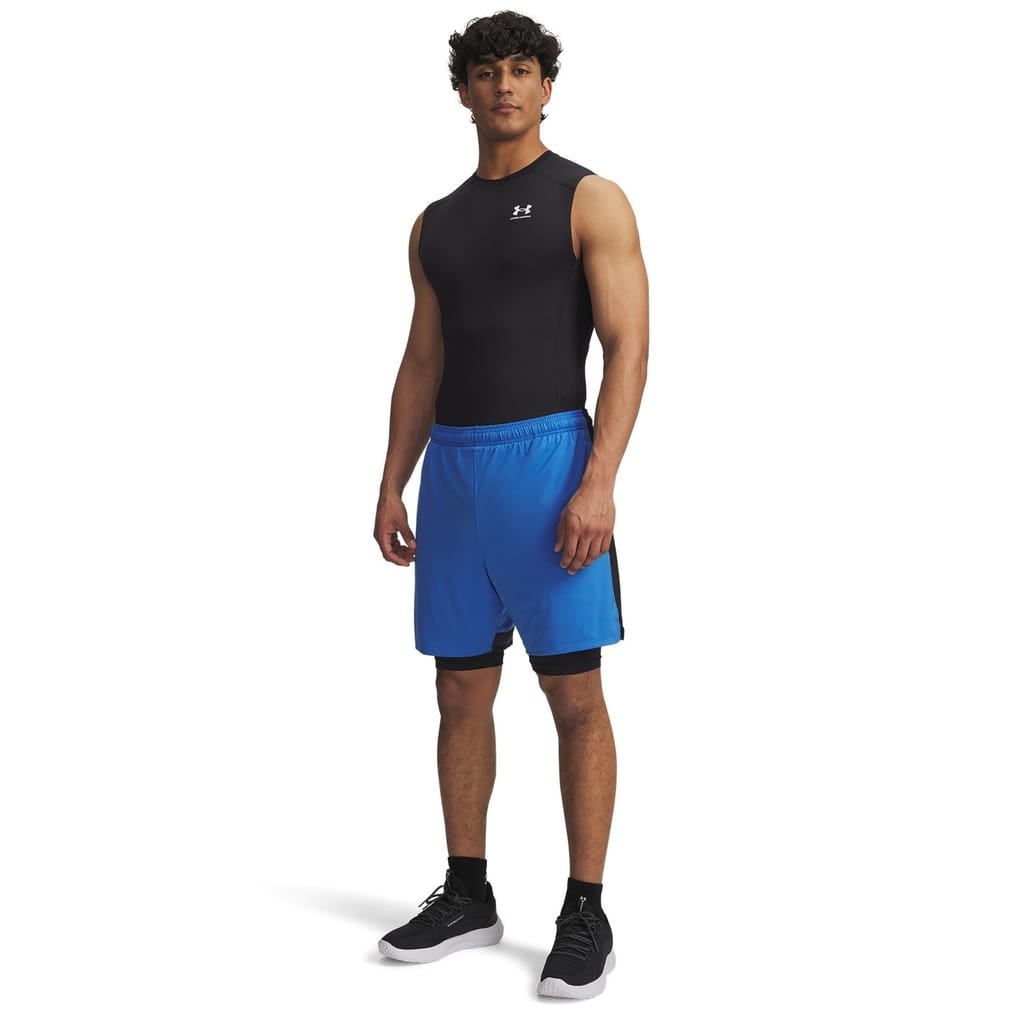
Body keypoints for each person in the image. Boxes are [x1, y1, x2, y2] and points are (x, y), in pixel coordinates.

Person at [372, 10, 648, 1000]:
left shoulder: (589, 198)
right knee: (459, 692)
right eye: (485, 72)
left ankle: (585, 909)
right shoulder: (435, 222)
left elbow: (628, 344)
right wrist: (391, 478)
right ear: (462, 91)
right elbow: (423, 358)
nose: (503, 86)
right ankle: (467, 893)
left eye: (522, 70)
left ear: (546, 87)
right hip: (454, 472)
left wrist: (599, 479)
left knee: (573, 696)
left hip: (548, 464)